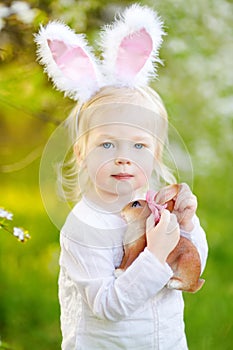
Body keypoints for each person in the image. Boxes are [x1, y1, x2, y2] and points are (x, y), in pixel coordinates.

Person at [35, 4, 208, 349]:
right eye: (108, 143)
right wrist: (154, 256)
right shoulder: (84, 227)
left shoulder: (158, 207)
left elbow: (192, 265)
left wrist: (186, 227)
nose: (124, 158)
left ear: (157, 152)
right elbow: (108, 307)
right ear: (82, 153)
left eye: (139, 145)